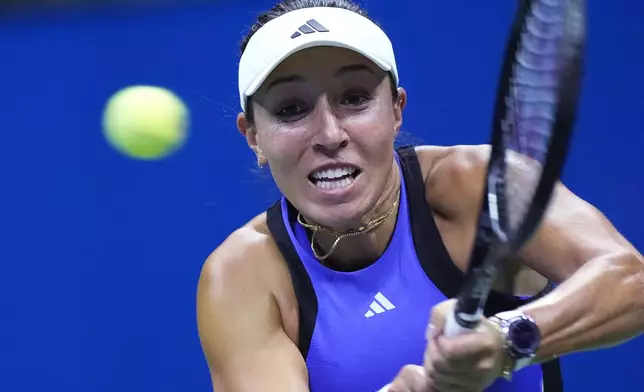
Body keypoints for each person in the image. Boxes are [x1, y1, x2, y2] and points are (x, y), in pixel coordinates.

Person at [196, 1, 644, 391]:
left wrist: (506, 339)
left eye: (354, 98)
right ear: (253, 136)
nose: (330, 134)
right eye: (291, 109)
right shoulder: (243, 278)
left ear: (396, 109)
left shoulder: (480, 187)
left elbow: (631, 280)